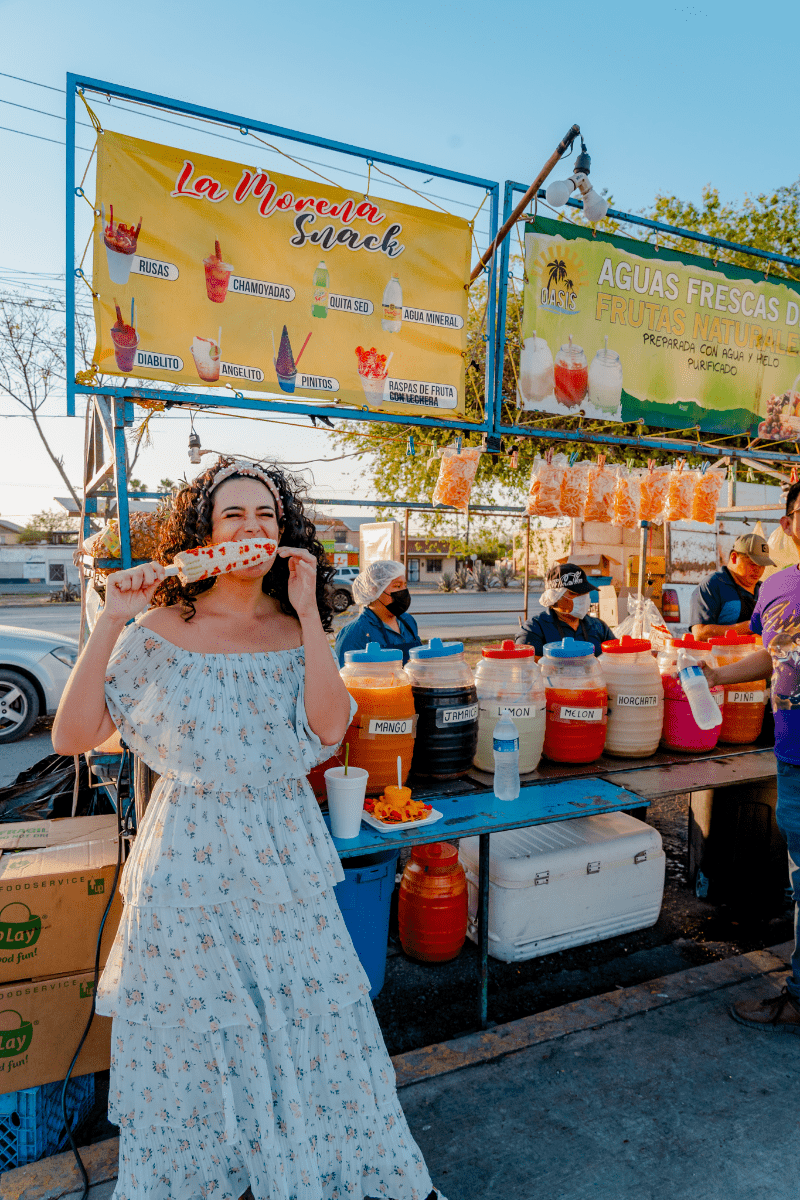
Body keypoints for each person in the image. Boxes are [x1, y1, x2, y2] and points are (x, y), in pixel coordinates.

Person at [52, 458, 447, 1200]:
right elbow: (73, 735)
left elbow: (331, 729)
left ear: (285, 530)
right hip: (187, 865)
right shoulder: (159, 628)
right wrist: (109, 616)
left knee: (307, 1024)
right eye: (232, 515)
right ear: (203, 532)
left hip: (283, 855)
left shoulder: (300, 627)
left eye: (265, 515)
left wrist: (306, 612)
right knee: (196, 1039)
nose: (251, 529)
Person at [702, 481, 800, 1034]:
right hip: (792, 752)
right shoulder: (779, 585)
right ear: (788, 524)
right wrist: (717, 673)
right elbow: (772, 651)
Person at [516, 562, 616, 658]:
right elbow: (527, 664)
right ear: (555, 596)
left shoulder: (599, 627)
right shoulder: (535, 628)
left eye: (585, 592)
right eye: (574, 593)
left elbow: (618, 656)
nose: (583, 597)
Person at [335, 559, 423, 666]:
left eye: (405, 585)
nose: (404, 591)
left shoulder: (408, 621)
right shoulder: (354, 633)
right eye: (397, 586)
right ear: (374, 590)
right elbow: (347, 679)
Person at [690, 533, 775, 641]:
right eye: (753, 564)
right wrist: (749, 627)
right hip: (720, 656)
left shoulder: (764, 590)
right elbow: (699, 633)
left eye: (762, 565)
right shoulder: (713, 585)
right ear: (734, 557)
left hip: (756, 655)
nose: (758, 570)